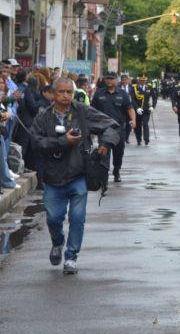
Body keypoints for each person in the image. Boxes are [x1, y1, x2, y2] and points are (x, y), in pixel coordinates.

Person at [30, 77, 119, 274]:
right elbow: (35, 142)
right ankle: (57, 242)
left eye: (69, 92)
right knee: (54, 218)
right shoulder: (43, 116)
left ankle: (71, 257)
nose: (65, 96)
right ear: (52, 94)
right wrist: (63, 141)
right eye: (61, 92)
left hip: (78, 175)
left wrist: (106, 144)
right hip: (53, 178)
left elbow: (111, 126)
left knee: (77, 218)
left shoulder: (82, 111)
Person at [91, 73, 136, 182]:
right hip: (103, 129)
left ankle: (116, 170)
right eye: (107, 78)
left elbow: (130, 109)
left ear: (116, 80)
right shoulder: (99, 93)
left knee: (118, 152)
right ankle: (104, 176)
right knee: (104, 152)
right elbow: (92, 110)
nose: (109, 81)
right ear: (105, 80)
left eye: (112, 79)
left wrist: (133, 120)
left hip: (119, 129)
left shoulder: (123, 94)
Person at [132, 76, 159, 145]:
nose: (143, 82)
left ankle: (146, 139)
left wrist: (153, 106)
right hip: (138, 110)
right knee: (138, 125)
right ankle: (138, 139)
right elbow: (132, 99)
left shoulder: (149, 87)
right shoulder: (134, 88)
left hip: (146, 109)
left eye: (144, 81)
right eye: (141, 80)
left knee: (145, 124)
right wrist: (137, 108)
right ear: (139, 81)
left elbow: (154, 98)